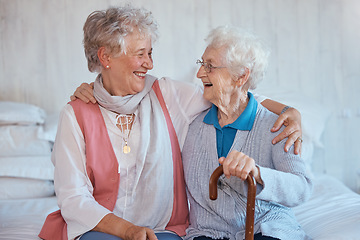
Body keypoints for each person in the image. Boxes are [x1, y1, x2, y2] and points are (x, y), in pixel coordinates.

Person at [40, 5, 303, 240]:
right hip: (100, 230)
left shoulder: (167, 94)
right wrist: (128, 231)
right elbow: (73, 197)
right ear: (105, 57)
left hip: (163, 229)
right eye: (141, 53)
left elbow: (231, 93)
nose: (149, 63)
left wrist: (288, 110)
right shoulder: (75, 114)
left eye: (150, 53)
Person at [181, 26, 312, 240]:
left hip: (267, 228)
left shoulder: (276, 125)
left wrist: (258, 173)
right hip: (207, 233)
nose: (199, 73)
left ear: (241, 76)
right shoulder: (192, 126)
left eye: (210, 66)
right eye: (201, 63)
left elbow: (301, 188)